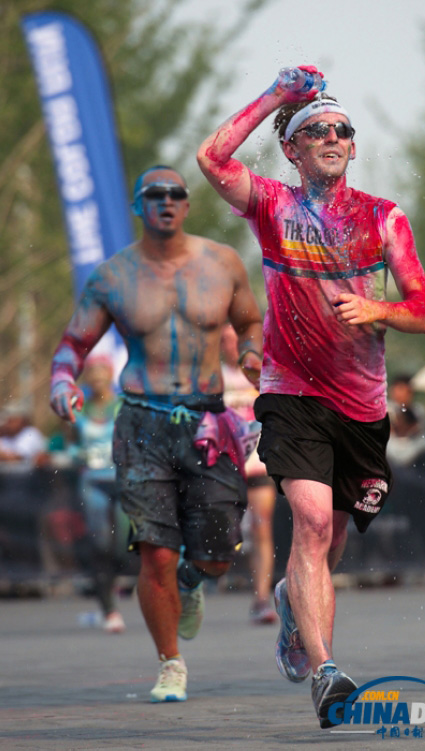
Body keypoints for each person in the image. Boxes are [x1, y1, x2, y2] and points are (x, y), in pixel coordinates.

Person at [197, 66, 425, 728]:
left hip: (361, 408)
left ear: (353, 147)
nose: (331, 136)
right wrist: (278, 96)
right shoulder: (273, 203)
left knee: (331, 545)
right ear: (293, 150)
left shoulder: (383, 217)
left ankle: (292, 604)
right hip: (291, 392)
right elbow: (211, 158)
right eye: (316, 130)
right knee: (312, 523)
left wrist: (374, 308)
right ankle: (328, 670)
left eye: (341, 130)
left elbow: (423, 310)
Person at [50, 165, 263, 702]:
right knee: (155, 553)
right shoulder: (113, 276)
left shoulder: (223, 263)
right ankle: (170, 663)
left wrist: (256, 355)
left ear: (187, 205)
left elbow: (251, 325)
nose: (166, 202)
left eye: (176, 194)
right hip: (141, 421)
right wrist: (60, 382)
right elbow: (72, 346)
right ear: (139, 207)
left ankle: (193, 582)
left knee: (216, 554)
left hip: (208, 421)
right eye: (155, 195)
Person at [220, 323, 277, 625]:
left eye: (235, 340)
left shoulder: (257, 370)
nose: (231, 345)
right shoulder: (212, 375)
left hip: (258, 462)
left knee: (262, 527)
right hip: (223, 466)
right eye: (225, 340)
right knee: (220, 530)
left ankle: (261, 598)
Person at [70, 353, 128, 633]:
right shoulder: (78, 411)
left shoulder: (123, 406)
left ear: (109, 373)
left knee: (121, 543)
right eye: (90, 372)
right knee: (101, 542)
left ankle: (117, 584)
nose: (96, 377)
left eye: (100, 371)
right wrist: (74, 454)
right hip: (92, 481)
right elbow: (64, 445)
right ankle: (108, 607)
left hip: (121, 480)